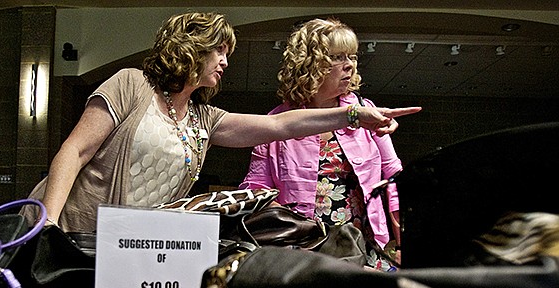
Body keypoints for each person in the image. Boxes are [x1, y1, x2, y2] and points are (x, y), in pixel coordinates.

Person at [25, 12, 420, 234]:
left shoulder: (204, 119)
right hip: (74, 232)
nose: (226, 62)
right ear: (191, 48)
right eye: (219, 50)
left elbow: (282, 127)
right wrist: (48, 227)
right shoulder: (132, 84)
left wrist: (354, 114)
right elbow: (73, 152)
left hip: (128, 243)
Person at [239, 18, 404, 268]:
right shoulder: (276, 122)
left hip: (365, 247)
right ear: (309, 63)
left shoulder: (365, 111)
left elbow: (394, 179)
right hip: (301, 252)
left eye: (352, 56)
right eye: (338, 57)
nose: (349, 65)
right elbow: (256, 189)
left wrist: (402, 244)